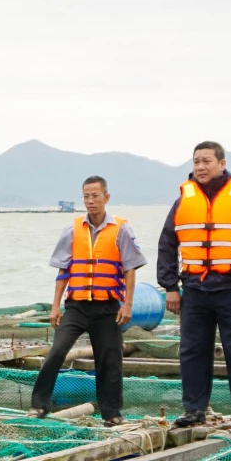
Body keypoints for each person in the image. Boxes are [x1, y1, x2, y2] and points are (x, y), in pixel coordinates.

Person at [157, 141, 231, 426]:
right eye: (196, 161)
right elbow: (167, 243)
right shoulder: (184, 198)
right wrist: (170, 285)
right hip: (194, 288)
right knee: (192, 350)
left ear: (222, 163)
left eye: (206, 160)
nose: (200, 166)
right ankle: (194, 409)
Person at [29, 175, 147, 423]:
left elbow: (130, 268)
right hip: (76, 306)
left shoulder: (122, 229)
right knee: (56, 351)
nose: (90, 201)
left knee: (110, 360)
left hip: (108, 307)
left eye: (95, 196)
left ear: (106, 198)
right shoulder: (72, 230)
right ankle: (39, 405)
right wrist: (55, 306)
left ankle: (111, 413)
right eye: (86, 196)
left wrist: (128, 304)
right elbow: (63, 270)